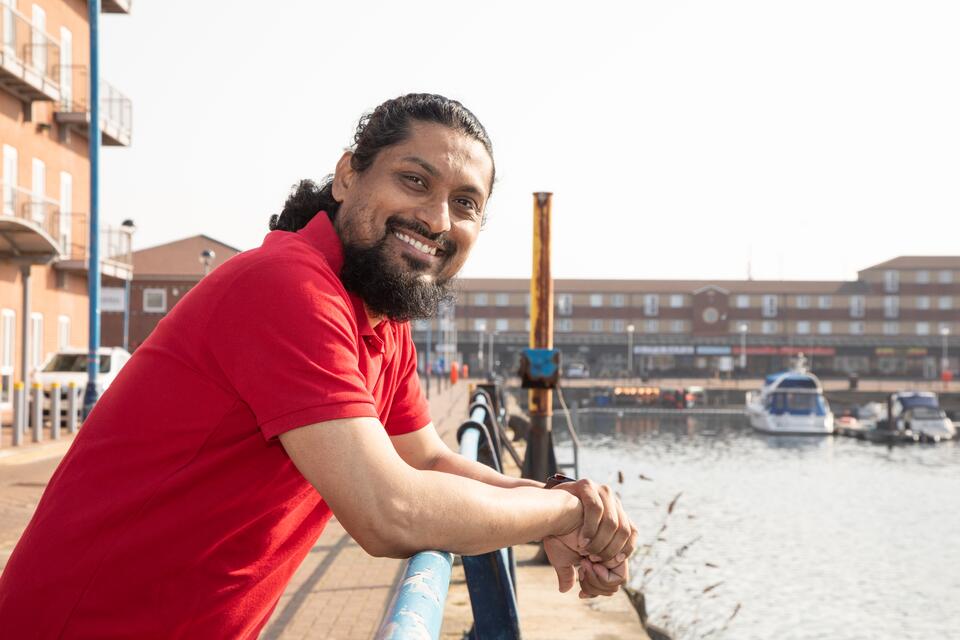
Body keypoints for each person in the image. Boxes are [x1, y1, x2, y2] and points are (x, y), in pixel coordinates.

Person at [0, 94, 638, 637]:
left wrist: (554, 498)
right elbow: (390, 511)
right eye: (414, 181)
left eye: (465, 203)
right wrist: (564, 517)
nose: (437, 219)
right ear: (346, 177)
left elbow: (427, 460)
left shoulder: (378, 317)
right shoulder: (285, 287)